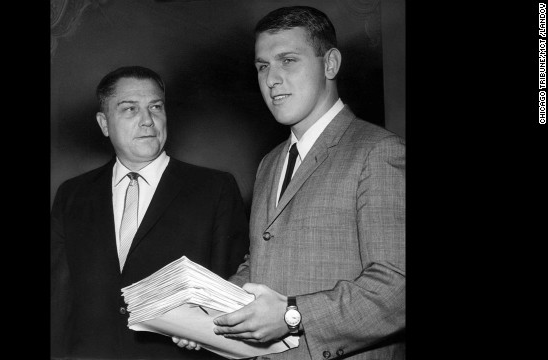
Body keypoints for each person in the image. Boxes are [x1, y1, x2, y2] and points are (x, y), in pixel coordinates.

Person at [173, 6, 405, 360]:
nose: (271, 79)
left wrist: (292, 316)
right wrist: (209, 312)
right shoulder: (270, 162)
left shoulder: (378, 151)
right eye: (263, 66)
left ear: (330, 64)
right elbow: (262, 263)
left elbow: (396, 288)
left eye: (288, 60)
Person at [51, 66, 250, 359]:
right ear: (104, 123)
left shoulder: (214, 189)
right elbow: (59, 299)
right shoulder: (73, 194)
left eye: (155, 107)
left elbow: (230, 291)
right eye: (130, 109)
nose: (147, 121)